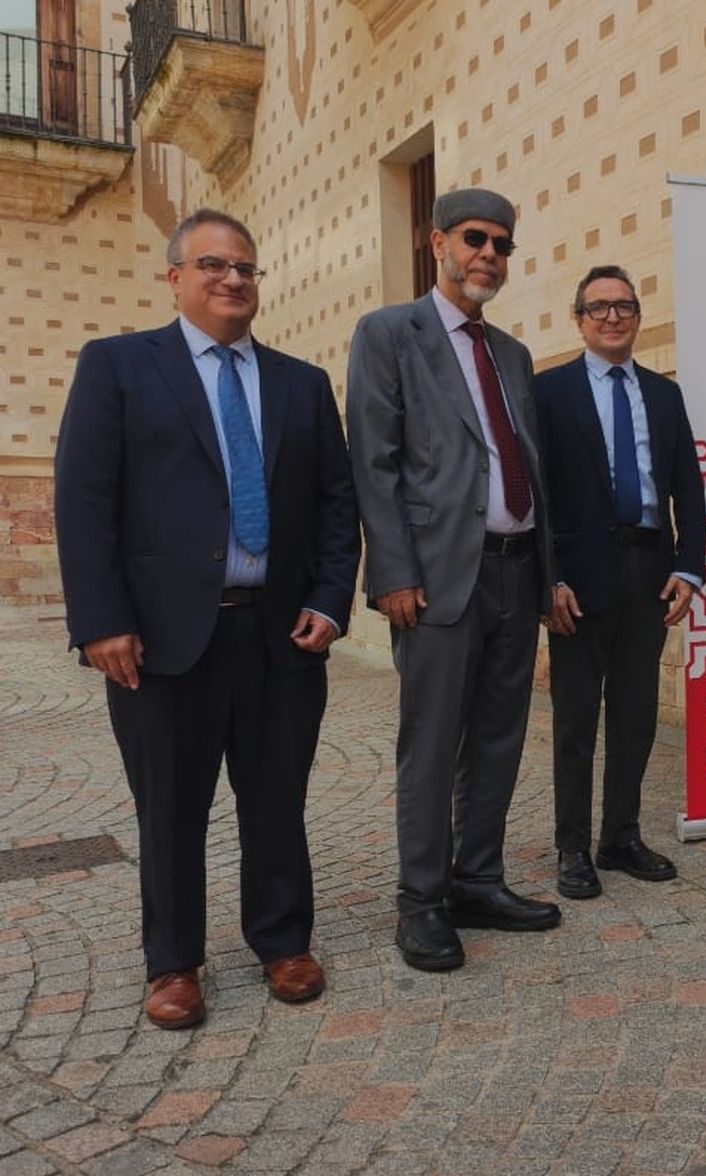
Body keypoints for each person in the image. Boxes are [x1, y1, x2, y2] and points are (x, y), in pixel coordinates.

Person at [54, 209, 360, 1028]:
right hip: (159, 642)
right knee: (170, 807)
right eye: (215, 265)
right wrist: (100, 621)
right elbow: (85, 502)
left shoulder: (301, 383)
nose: (233, 279)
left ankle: (284, 941)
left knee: (277, 799)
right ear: (176, 277)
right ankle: (173, 964)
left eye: (247, 268)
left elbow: (337, 505)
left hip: (278, 636)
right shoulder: (119, 366)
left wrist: (331, 601)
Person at [346, 188, 560, 972]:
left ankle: (478, 880)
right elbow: (374, 462)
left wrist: (548, 577)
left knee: (500, 738)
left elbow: (531, 469)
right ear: (437, 242)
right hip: (434, 584)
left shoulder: (512, 354)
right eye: (476, 239)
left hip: (513, 573)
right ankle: (421, 901)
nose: (489, 256)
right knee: (432, 746)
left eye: (503, 245)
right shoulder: (387, 334)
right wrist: (392, 572)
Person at [535, 265, 706, 900]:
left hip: (648, 573)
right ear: (579, 319)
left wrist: (689, 566)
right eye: (600, 307)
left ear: (637, 317)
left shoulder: (665, 396)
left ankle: (621, 836)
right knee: (577, 719)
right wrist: (547, 579)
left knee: (635, 715)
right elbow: (538, 496)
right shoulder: (547, 392)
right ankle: (572, 847)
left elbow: (687, 484)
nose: (613, 317)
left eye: (625, 306)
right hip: (577, 581)